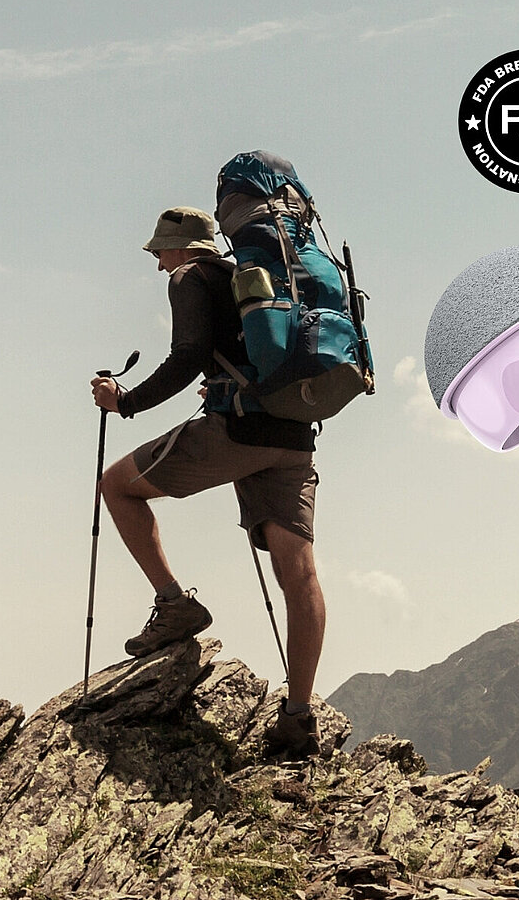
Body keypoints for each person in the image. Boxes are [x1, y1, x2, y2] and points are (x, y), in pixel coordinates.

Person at [89, 205, 325, 758]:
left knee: (117, 487)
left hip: (237, 433)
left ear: (182, 247)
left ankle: (174, 604)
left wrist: (125, 402)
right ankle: (299, 718)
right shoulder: (254, 280)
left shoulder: (190, 278)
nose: (157, 264)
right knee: (300, 572)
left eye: (159, 252)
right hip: (292, 436)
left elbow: (188, 355)